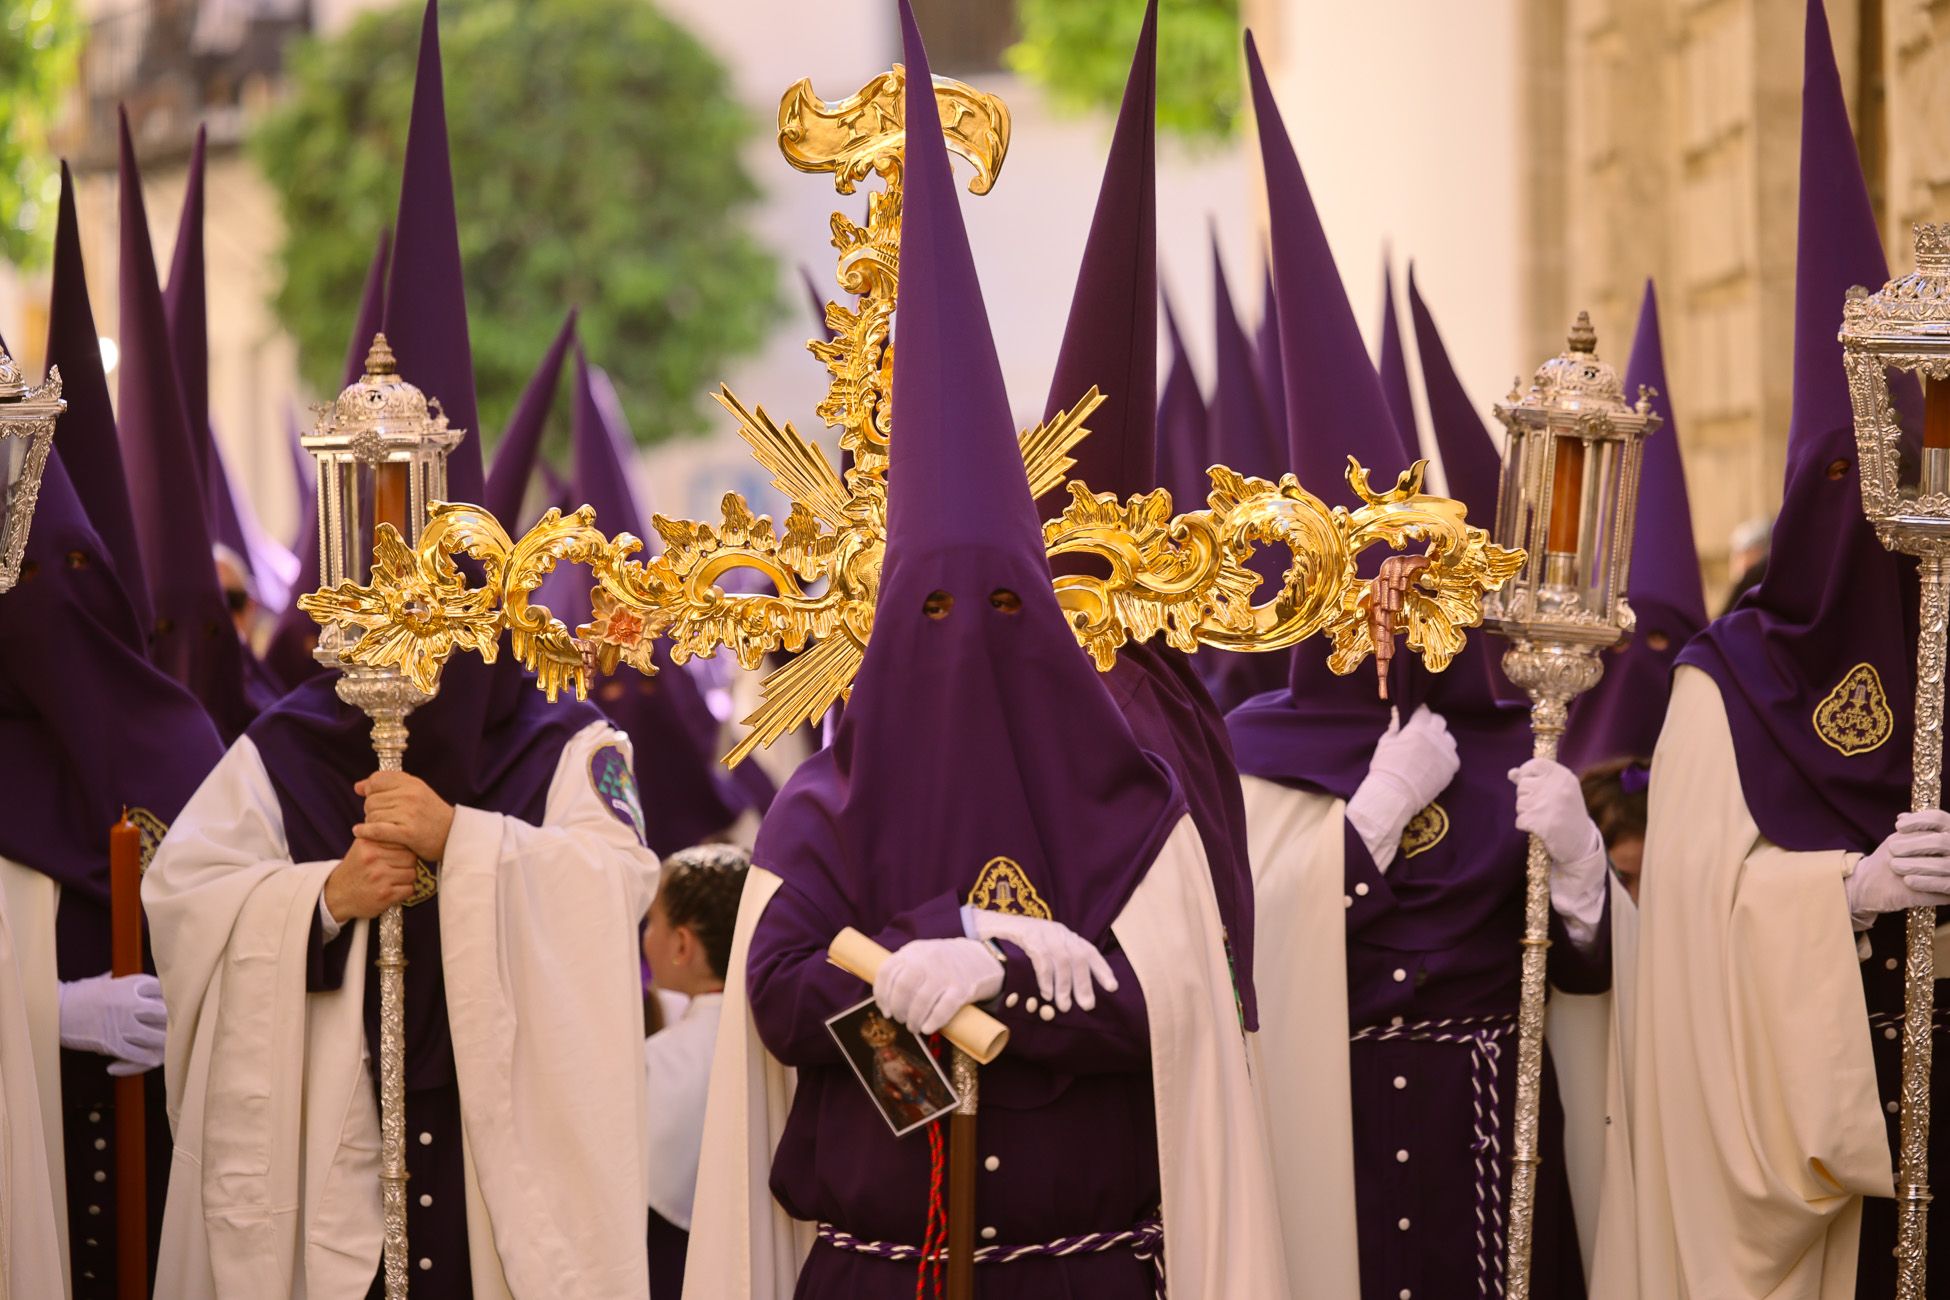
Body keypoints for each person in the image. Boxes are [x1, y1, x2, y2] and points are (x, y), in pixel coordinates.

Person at [681, 7, 1287, 1293]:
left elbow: (1179, 1012)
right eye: (936, 618)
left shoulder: (1136, 809)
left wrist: (1002, 972)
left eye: (1005, 614)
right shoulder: (822, 809)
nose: (972, 649)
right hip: (877, 1270)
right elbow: (782, 989)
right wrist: (923, 950)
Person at [143, 7, 660, 1296]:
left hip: (496, 1194)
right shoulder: (290, 747)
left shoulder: (560, 742)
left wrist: (461, 843)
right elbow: (186, 900)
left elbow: (621, 895)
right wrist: (322, 899)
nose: (399, 593)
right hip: (338, 1198)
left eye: (428, 558)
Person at [1224, 34, 1608, 1296]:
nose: (1395, 623)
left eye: (1418, 587)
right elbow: (1228, 967)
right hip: (1325, 1134)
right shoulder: (1255, 762)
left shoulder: (1516, 745)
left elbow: (1597, 987)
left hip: (1489, 1128)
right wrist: (1362, 832)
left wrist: (1591, 883)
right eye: (1366, 591)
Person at [1590, 4, 1950, 1294]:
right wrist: (1841, 900)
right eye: (1857, 493)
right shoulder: (1722, 694)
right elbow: (1691, 964)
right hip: (1832, 1166)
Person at [640, 843, 746, 1298]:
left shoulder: (654, 1064)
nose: (645, 936)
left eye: (652, 921)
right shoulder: (785, 1044)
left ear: (682, 944)